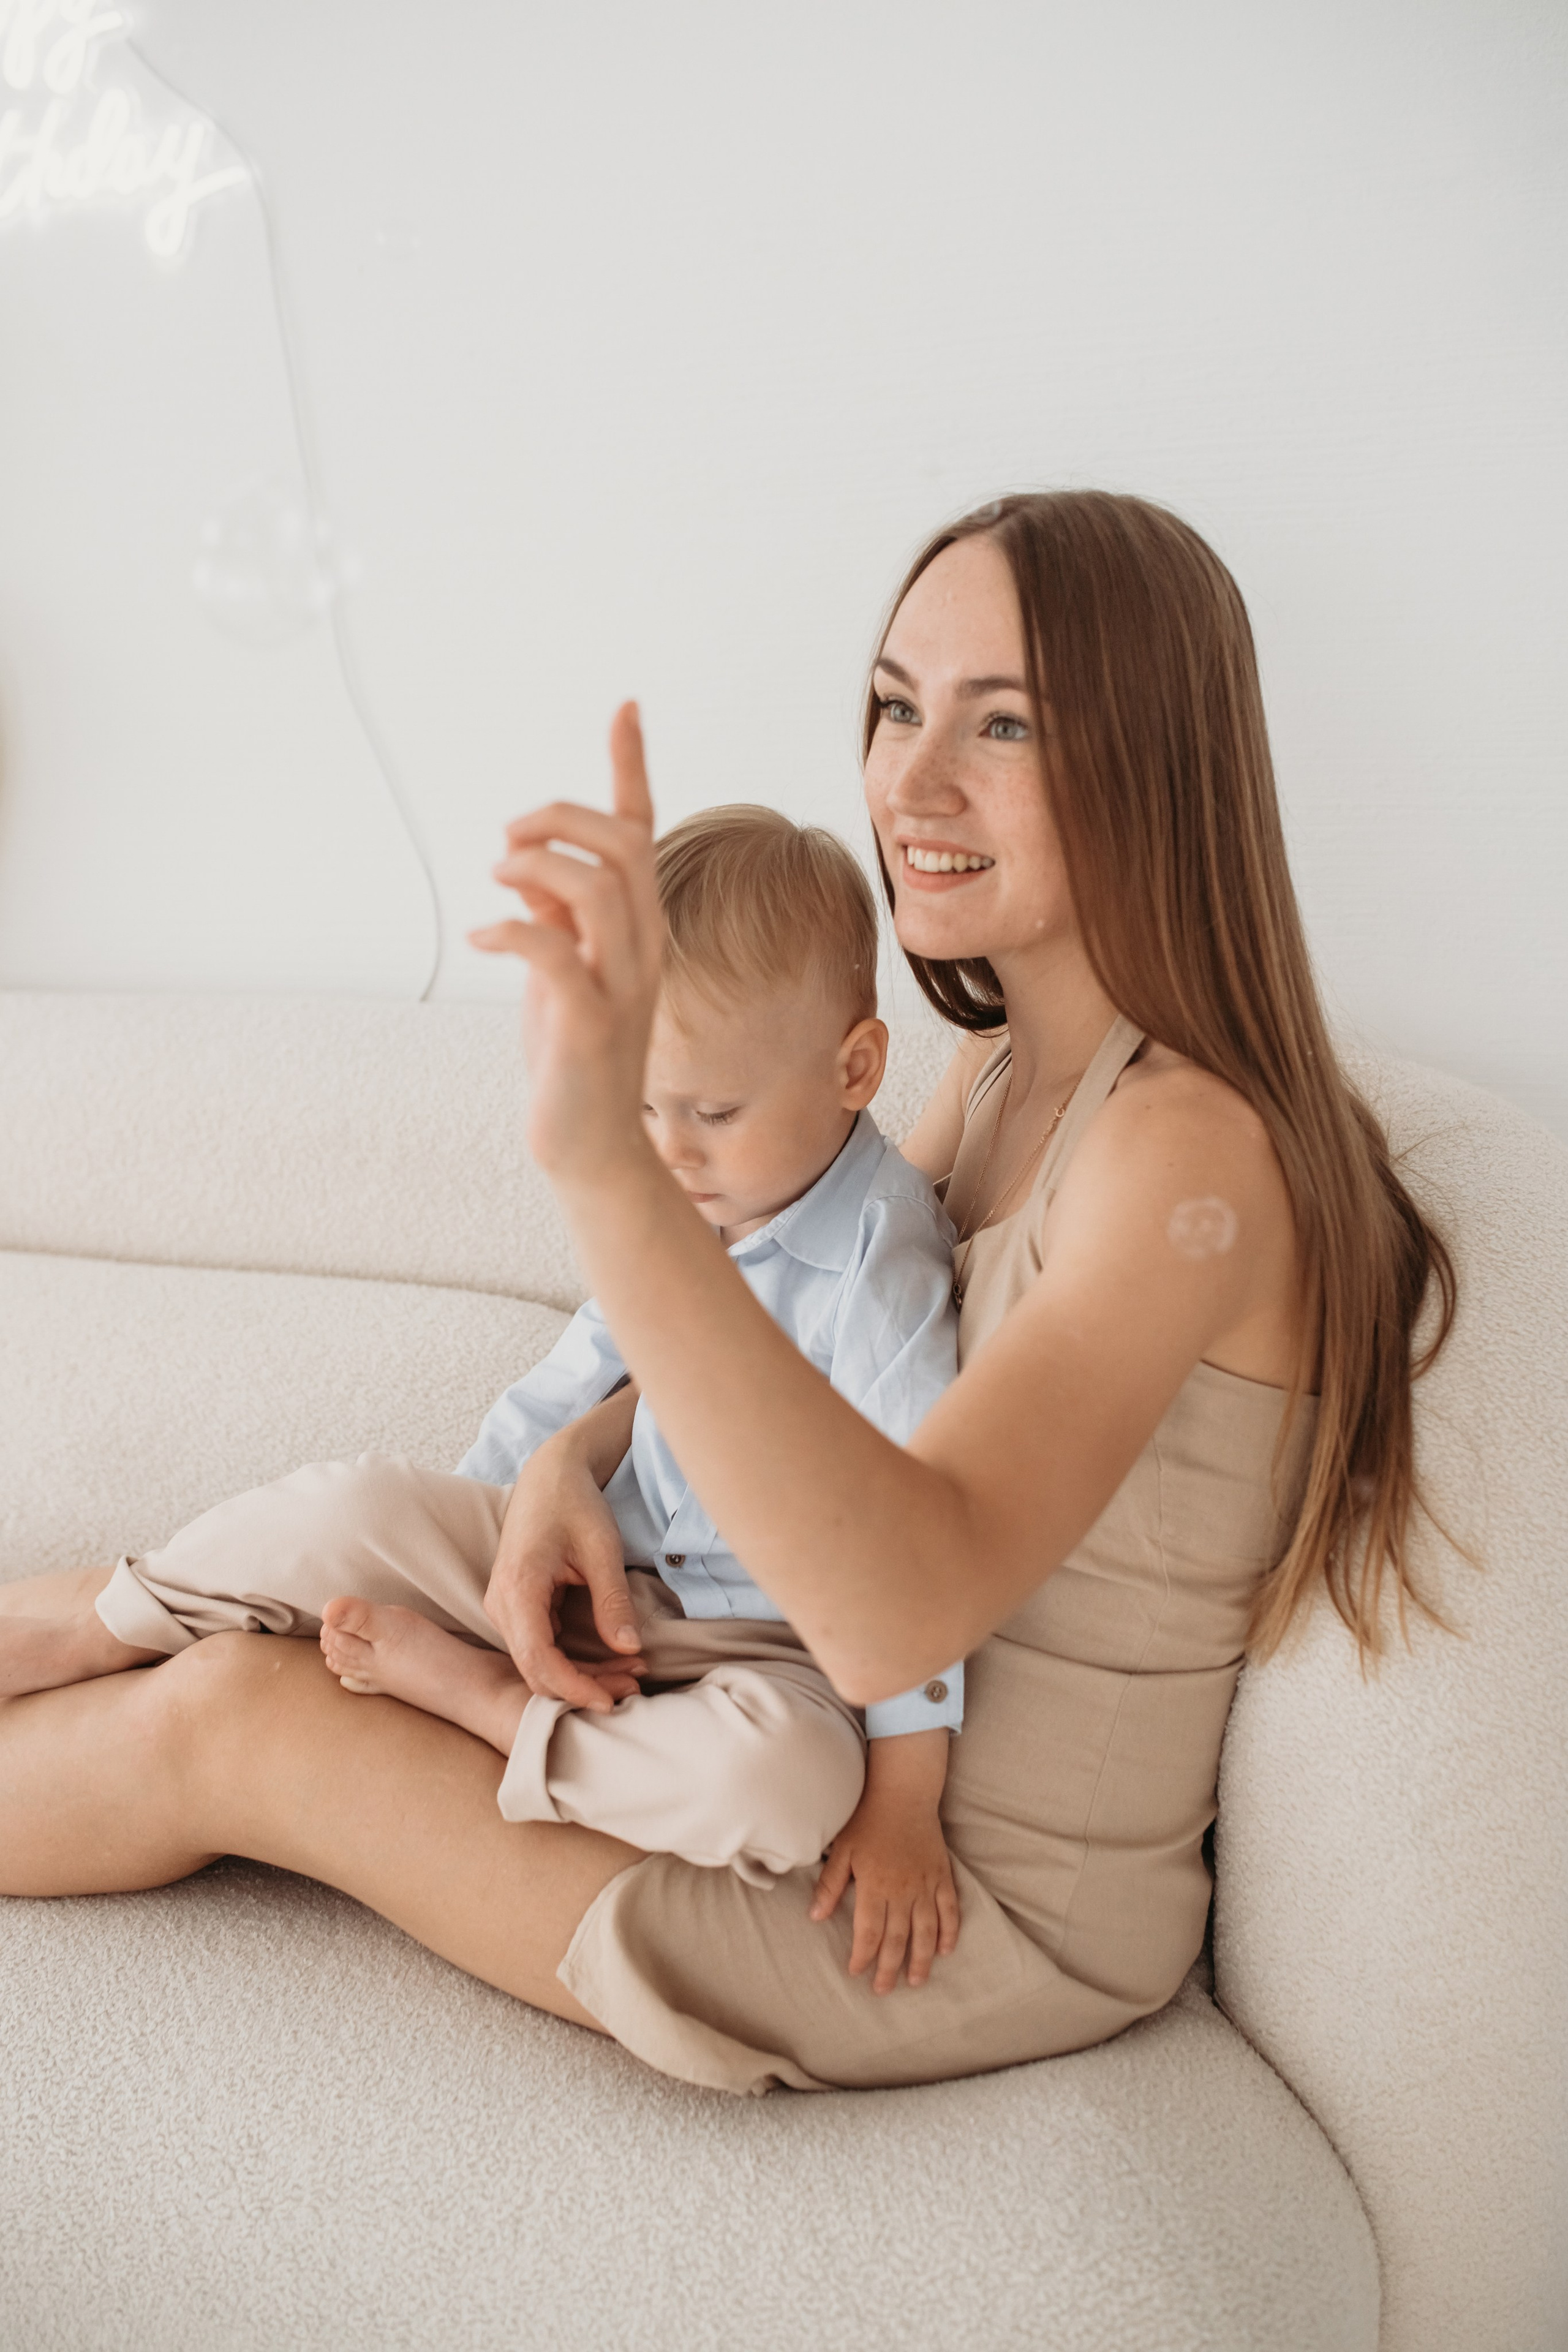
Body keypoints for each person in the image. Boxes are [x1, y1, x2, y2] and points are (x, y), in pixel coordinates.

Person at [0, 490, 1455, 2097]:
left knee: (238, 1721)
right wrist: (581, 1450)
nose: (913, 779)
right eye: (898, 705)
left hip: (936, 1895)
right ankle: (65, 1628)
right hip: (752, 1667)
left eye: (1005, 725)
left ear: (1153, 768)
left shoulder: (1188, 1155)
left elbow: (910, 1592)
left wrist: (607, 1168)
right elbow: (821, 1352)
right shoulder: (992, 1078)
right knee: (318, 1547)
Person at [29, 807, 967, 1978]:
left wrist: (907, 1803)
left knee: (778, 1787)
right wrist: (494, 1553)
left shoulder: (883, 1269)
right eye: (639, 1108)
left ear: (856, 1069)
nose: (669, 1154)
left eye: (712, 1115)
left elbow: (920, 1571)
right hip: (596, 1568)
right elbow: (572, 1378)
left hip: (763, 1653)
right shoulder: (690, 1201)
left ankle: (487, 1710)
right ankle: (105, 1623)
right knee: (348, 1510)